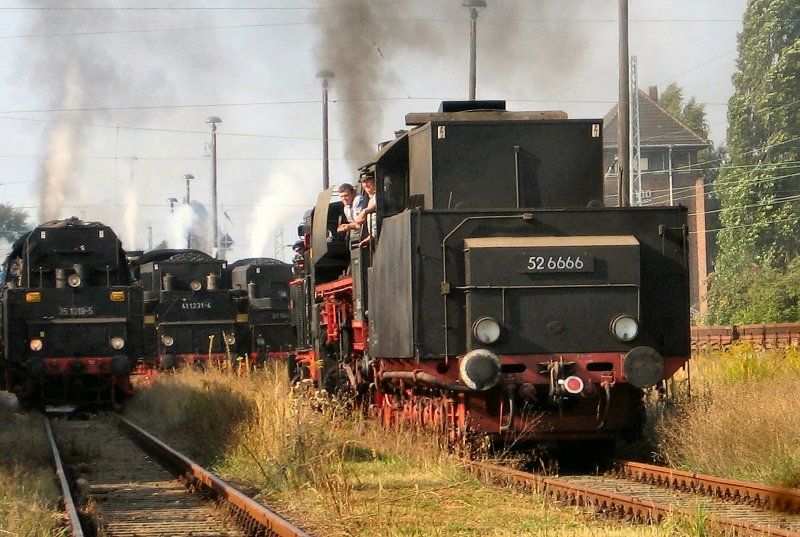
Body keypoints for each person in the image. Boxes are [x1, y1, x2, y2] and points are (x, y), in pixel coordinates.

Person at [355, 173, 377, 247]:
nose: (365, 185)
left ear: (375, 181)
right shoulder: (367, 199)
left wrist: (364, 211)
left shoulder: (379, 195)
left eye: (368, 181)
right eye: (363, 182)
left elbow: (378, 203)